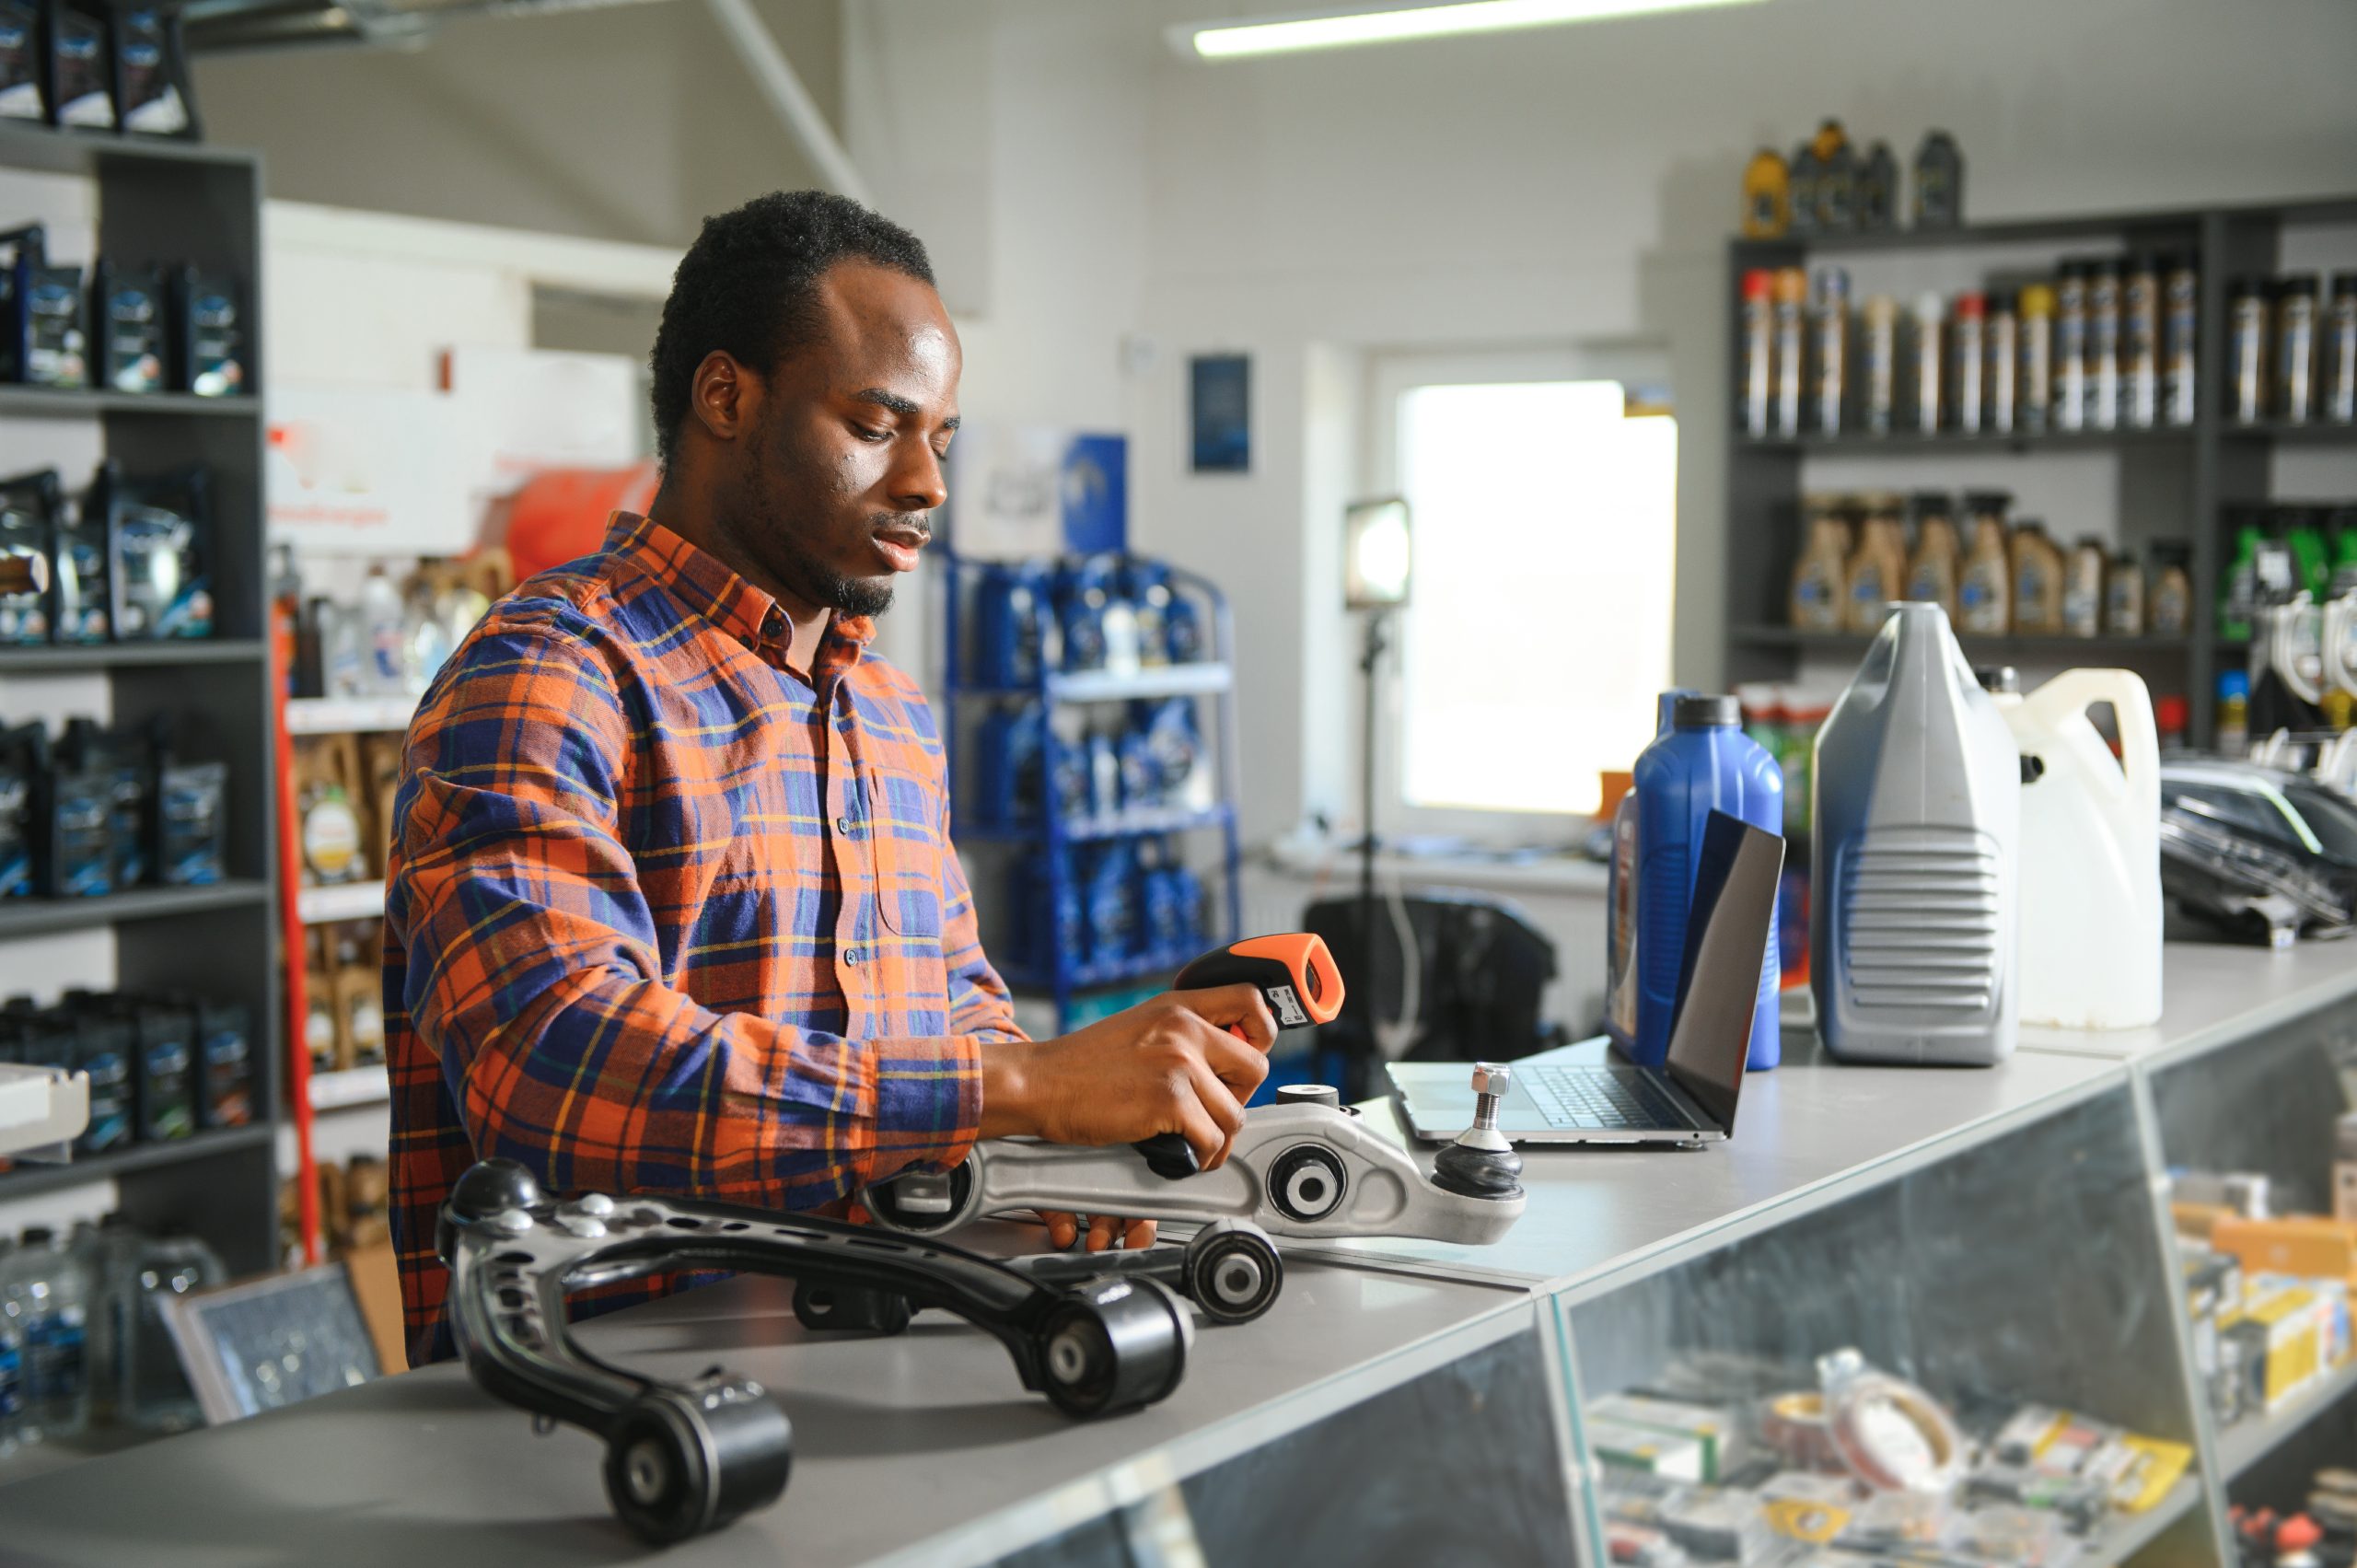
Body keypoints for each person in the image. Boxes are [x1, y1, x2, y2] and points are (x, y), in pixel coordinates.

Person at [384, 191, 1276, 1367]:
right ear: (727, 399)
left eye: (941, 437)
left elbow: (957, 1001)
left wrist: (1058, 1153)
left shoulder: (888, 717)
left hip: (872, 1367)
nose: (926, 484)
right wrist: (1017, 1084)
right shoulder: (549, 678)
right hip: (609, 1404)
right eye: (876, 424)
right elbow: (557, 1069)